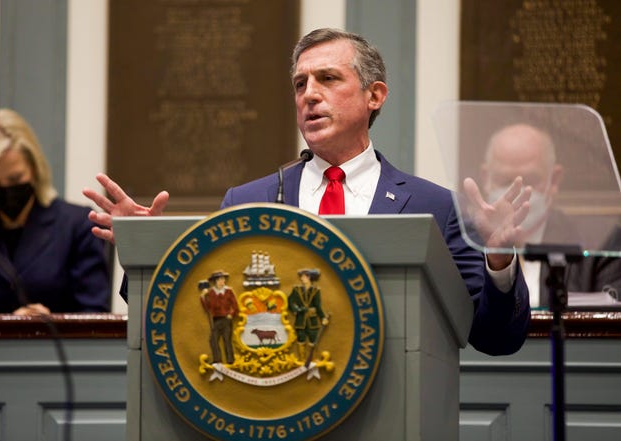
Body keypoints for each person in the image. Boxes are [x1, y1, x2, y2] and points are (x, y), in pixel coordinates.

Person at [84, 28, 530, 356]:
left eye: (328, 79)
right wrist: (147, 254)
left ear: (375, 95)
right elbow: (191, 318)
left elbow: (495, 339)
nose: (309, 95)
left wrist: (498, 258)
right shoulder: (247, 200)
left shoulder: (436, 206)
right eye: (301, 84)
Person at [0, 108, 111, 315]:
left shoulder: (77, 226)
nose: (6, 190)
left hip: (58, 347)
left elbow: (96, 315)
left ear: (34, 168)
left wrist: (52, 325)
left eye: (15, 179)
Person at [481, 123, 621, 306]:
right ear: (486, 179)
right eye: (505, 180)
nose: (518, 191)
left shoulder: (601, 241)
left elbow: (607, 326)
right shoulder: (462, 240)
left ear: (553, 180)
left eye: (530, 179)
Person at [287, 269, 329, 360]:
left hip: (312, 320)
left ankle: (312, 359)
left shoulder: (315, 290)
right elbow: (290, 301)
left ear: (308, 277)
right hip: (300, 320)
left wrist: (323, 318)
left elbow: (318, 306)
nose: (301, 278)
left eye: (303, 276)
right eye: (301, 277)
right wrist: (295, 310)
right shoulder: (296, 289)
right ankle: (302, 360)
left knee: (313, 340)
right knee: (301, 339)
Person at [200, 270, 238, 364]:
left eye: (223, 279)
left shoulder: (228, 291)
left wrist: (231, 314)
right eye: (220, 279)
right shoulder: (211, 293)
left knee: (226, 340)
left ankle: (230, 360)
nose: (222, 281)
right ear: (215, 281)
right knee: (213, 340)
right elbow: (208, 308)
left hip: (226, 319)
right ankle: (217, 359)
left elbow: (235, 306)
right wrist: (203, 297)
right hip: (216, 319)